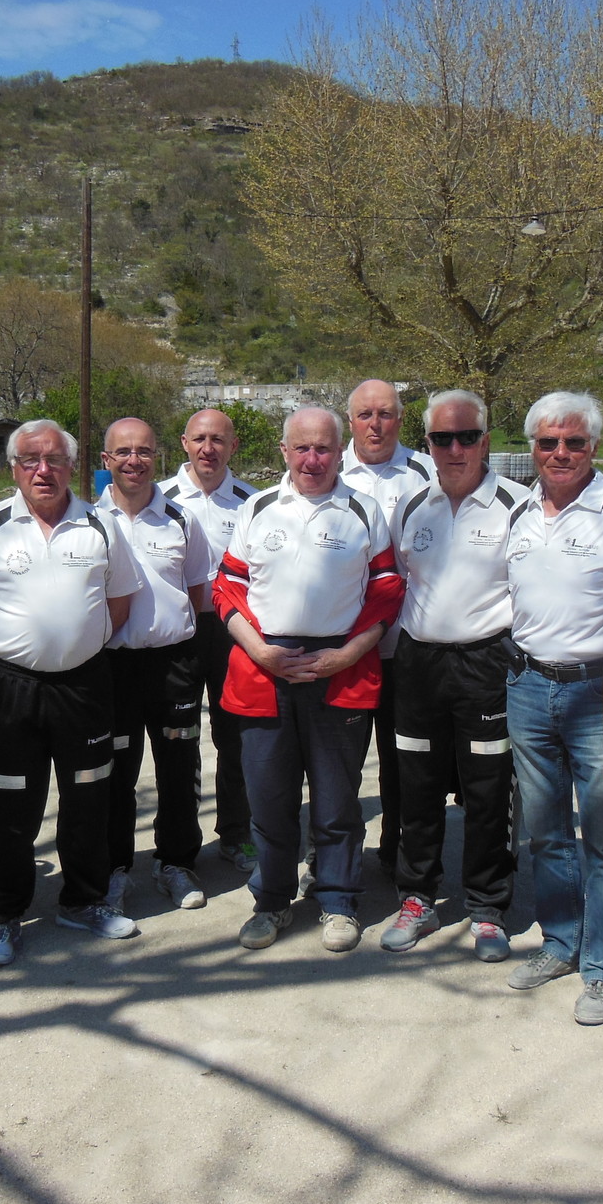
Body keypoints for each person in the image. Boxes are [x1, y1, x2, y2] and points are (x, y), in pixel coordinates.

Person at [212, 407, 405, 953]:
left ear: (339, 452)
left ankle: (339, 899)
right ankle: (271, 901)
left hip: (338, 670)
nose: (312, 460)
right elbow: (226, 588)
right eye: (302, 449)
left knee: (337, 799)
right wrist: (261, 651)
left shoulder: (363, 511)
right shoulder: (258, 508)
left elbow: (387, 590)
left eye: (323, 449)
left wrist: (348, 653)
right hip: (264, 664)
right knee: (269, 799)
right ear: (284, 452)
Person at [0, 419, 144, 965]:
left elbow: (119, 603)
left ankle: (83, 900)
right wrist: (19, 643)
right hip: (11, 687)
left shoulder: (102, 524)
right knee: (5, 799)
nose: (44, 470)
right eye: (30, 460)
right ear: (13, 468)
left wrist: (74, 644)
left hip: (85, 685)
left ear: (71, 464)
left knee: (90, 794)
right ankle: (3, 912)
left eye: (55, 459)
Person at [504, 391, 603, 1025]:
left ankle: (602, 968)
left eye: (573, 442)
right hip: (528, 687)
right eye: (547, 443)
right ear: (532, 448)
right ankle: (561, 941)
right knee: (543, 830)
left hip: (599, 693)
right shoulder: (517, 511)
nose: (559, 453)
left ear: (594, 446)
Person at [383, 389, 523, 962]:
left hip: (486, 663)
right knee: (414, 785)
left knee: (488, 790)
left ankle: (487, 908)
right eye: (443, 438)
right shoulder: (412, 508)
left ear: (486, 441)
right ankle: (417, 896)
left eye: (468, 436)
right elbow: (400, 577)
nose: (456, 448)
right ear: (429, 444)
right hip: (419, 663)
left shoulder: (518, 506)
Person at [97, 417, 214, 913]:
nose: (133, 461)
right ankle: (115, 868)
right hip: (112, 667)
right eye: (123, 452)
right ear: (107, 461)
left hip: (173, 664)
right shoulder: (86, 521)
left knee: (178, 766)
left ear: (157, 457)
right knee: (115, 773)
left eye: (143, 451)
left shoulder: (182, 519)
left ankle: (176, 863)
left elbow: (196, 594)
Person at [159, 408, 259, 873]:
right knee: (179, 740)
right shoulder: (160, 499)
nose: (208, 448)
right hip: (178, 633)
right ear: (184, 442)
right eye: (199, 438)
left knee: (235, 736)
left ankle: (237, 834)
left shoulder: (254, 502)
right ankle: (179, 845)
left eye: (218, 439)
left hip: (233, 633)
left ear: (233, 445)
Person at [340, 379, 433, 875]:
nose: (375, 425)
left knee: (403, 761)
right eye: (364, 415)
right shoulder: (331, 470)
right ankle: (336, 856)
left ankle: (397, 852)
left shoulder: (426, 472)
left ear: (401, 418)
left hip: (407, 643)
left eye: (385, 414)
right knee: (341, 762)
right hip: (347, 646)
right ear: (349, 421)